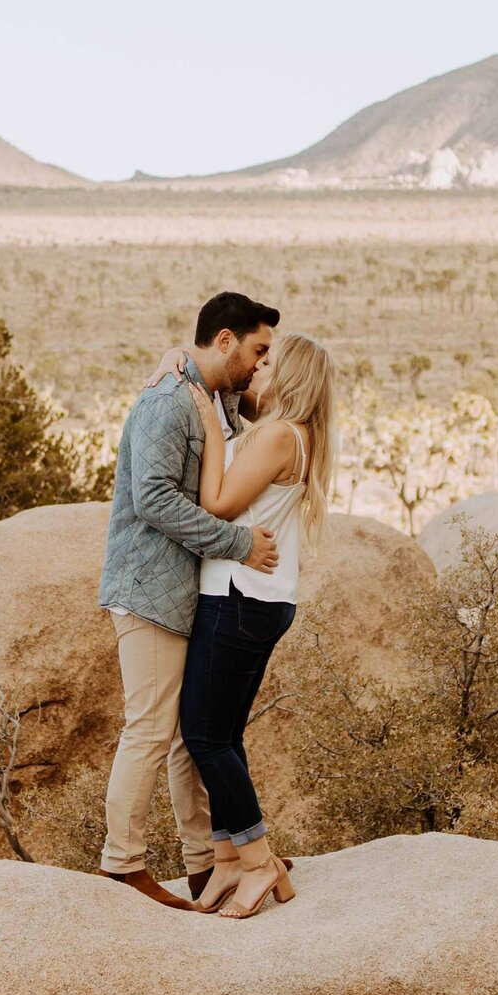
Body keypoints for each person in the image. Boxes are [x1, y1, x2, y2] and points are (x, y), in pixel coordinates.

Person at [94, 292, 282, 911]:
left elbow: (272, 406)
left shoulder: (214, 393)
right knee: (149, 728)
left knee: (182, 738)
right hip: (149, 588)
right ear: (224, 340)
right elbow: (151, 498)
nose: (260, 365)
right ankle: (123, 866)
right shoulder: (170, 403)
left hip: (182, 590)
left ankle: (204, 863)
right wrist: (236, 543)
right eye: (257, 351)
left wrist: (181, 355)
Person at [178, 330, 336, 920]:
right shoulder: (296, 436)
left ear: (291, 376)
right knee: (221, 733)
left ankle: (261, 861)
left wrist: (208, 420)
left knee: (205, 736)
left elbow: (215, 502)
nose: (257, 366)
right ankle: (227, 859)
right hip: (259, 597)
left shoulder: (276, 436)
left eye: (269, 362)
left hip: (238, 598)